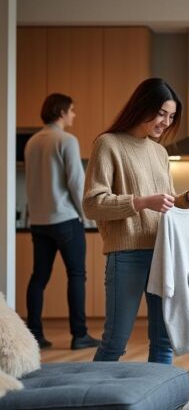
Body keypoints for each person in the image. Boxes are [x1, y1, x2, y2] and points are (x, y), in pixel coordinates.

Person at [83, 78, 189, 364]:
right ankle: (96, 390)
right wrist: (141, 202)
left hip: (163, 253)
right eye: (161, 114)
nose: (166, 123)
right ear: (142, 107)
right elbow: (92, 204)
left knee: (164, 340)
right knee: (115, 342)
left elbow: (166, 202)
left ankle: (161, 392)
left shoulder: (160, 152)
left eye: (171, 116)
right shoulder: (108, 144)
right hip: (126, 254)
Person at [24, 93, 100, 350]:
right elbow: (76, 182)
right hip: (65, 219)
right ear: (61, 112)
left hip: (38, 222)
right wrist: (88, 216)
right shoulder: (67, 140)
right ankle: (80, 335)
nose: (73, 115)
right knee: (76, 275)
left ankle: (34, 335)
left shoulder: (32, 142)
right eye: (71, 110)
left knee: (39, 277)